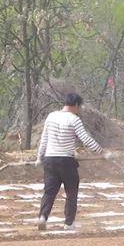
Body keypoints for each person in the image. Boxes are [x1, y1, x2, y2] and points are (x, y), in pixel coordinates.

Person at [36, 93, 111, 231]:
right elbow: (86, 139)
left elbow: (44, 139)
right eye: (79, 107)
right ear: (76, 105)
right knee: (71, 192)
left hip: (50, 159)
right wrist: (102, 152)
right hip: (66, 160)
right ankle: (69, 223)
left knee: (49, 192)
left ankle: (43, 217)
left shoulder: (51, 116)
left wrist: (39, 157)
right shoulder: (74, 119)